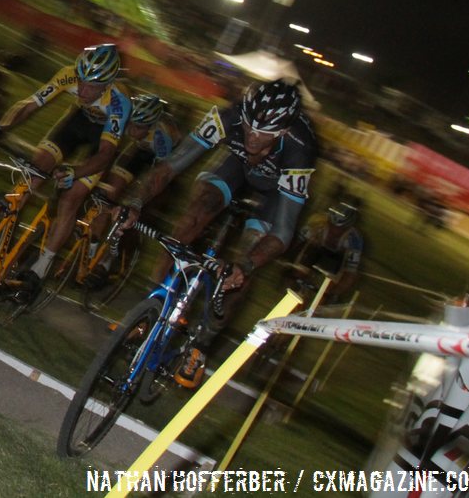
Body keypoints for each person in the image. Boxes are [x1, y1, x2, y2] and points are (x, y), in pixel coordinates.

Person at [117, 78, 318, 386]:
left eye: (263, 132)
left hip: (274, 194)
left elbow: (283, 231)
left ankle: (200, 345)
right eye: (249, 125)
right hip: (236, 168)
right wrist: (136, 201)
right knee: (196, 213)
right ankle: (151, 308)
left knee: (242, 267)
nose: (252, 135)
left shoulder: (300, 149)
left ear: (284, 130)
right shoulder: (230, 116)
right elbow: (172, 166)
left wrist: (246, 266)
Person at [0, 43, 133, 302]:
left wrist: (76, 171)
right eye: (81, 82)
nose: (83, 90)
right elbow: (30, 104)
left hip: (101, 143)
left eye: (91, 87)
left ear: (107, 85)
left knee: (71, 198)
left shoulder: (119, 102)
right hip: (76, 124)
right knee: (36, 168)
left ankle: (40, 269)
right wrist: (1, 127)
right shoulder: (69, 74)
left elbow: (105, 155)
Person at [85, 92, 180, 285]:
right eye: (130, 124)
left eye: (137, 127)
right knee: (110, 190)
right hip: (140, 150)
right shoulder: (131, 122)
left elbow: (159, 176)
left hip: (161, 161)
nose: (131, 129)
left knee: (138, 210)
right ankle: (91, 251)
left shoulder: (162, 137)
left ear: (150, 126)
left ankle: (109, 261)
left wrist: (137, 198)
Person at [285, 198, 364, 300]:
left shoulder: (355, 240)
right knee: (301, 265)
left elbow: (350, 272)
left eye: (339, 229)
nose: (334, 231)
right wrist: (290, 267)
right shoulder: (317, 223)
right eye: (331, 226)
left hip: (337, 258)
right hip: (315, 248)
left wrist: (333, 293)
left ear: (348, 228)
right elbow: (296, 244)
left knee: (328, 290)